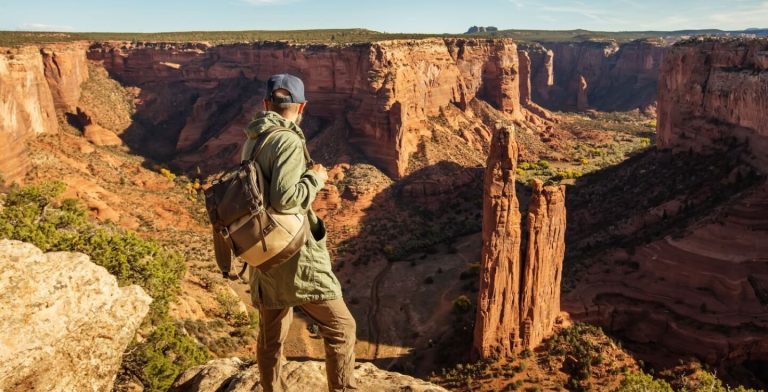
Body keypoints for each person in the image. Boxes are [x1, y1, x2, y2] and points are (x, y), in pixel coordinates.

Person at [241, 74, 357, 392]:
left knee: (272, 334)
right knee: (341, 326)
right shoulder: (288, 140)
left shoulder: (254, 137)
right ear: (302, 106)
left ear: (266, 104)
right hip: (293, 251)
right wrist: (315, 178)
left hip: (263, 247)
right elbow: (286, 199)